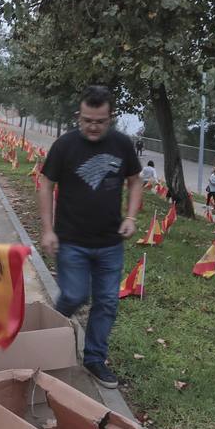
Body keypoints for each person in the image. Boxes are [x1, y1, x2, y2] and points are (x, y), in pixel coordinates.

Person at [38, 85, 143, 389]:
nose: (93, 127)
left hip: (110, 242)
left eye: (99, 121)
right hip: (72, 240)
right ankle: (47, 336)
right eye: (87, 120)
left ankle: (95, 358)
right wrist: (47, 229)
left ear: (111, 118)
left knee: (108, 302)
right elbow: (45, 184)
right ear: (78, 116)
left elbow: (135, 182)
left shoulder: (122, 145)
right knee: (74, 295)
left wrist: (132, 217)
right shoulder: (65, 146)